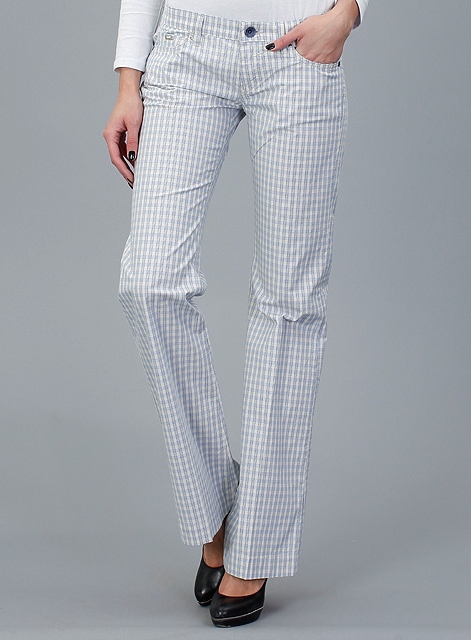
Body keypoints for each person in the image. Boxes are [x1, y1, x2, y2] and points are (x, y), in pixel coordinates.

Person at [103, 0, 368, 627]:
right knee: (149, 282)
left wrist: (352, 11)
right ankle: (219, 510)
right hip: (187, 48)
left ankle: (258, 543)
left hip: (298, 50)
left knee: (289, 303)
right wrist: (127, 81)